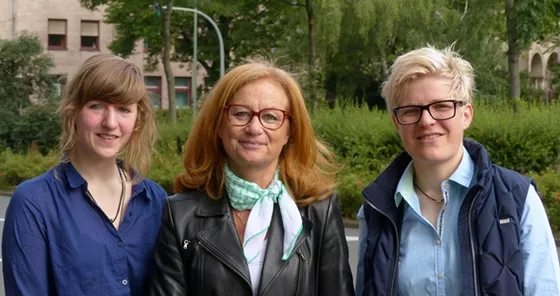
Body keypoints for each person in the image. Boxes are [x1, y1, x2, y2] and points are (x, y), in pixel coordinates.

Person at [356, 46, 560, 296]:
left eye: (441, 106)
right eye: (411, 110)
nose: (426, 120)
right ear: (396, 123)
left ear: (466, 115)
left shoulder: (518, 200)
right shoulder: (376, 211)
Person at [147, 62, 354, 295]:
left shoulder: (320, 211)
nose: (254, 128)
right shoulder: (179, 215)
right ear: (219, 125)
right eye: (241, 113)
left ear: (289, 131)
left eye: (271, 117)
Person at [2, 54, 168, 295]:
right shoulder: (34, 202)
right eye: (97, 106)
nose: (110, 123)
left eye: (123, 109)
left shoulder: (155, 200)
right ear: (73, 112)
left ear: (137, 119)